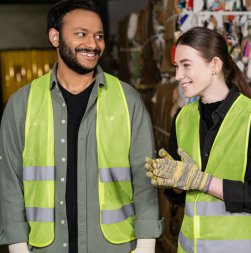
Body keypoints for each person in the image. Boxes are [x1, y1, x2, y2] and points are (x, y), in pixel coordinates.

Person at [0, 1, 162, 253]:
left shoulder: (127, 99)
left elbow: (145, 178)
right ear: (55, 37)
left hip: (113, 247)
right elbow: (10, 181)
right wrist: (17, 246)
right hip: (45, 247)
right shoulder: (22, 103)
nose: (93, 44)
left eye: (98, 36)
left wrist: (146, 245)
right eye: (81, 34)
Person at [145, 26, 251, 253]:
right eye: (177, 67)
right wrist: (174, 182)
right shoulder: (182, 118)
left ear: (215, 65)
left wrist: (201, 181)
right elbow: (179, 197)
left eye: (186, 65)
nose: (178, 75)